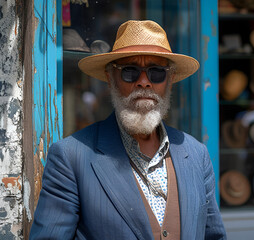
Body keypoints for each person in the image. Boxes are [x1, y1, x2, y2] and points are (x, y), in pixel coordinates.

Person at [30, 20, 226, 240]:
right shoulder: (70, 157)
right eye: (130, 72)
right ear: (110, 77)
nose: (143, 82)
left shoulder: (196, 154)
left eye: (157, 72)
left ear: (170, 80)